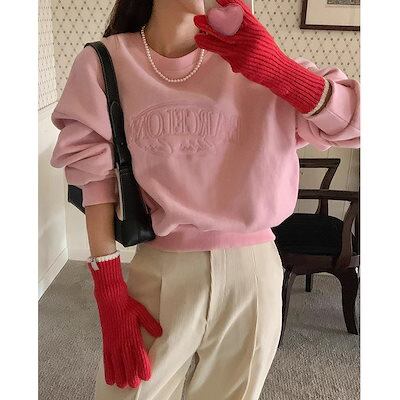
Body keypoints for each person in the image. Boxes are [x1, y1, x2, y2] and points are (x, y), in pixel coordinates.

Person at [49, 0, 360, 399]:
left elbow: (360, 123)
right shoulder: (103, 62)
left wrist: (280, 71)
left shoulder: (257, 59)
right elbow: (95, 180)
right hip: (162, 269)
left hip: (253, 272)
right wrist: (108, 289)